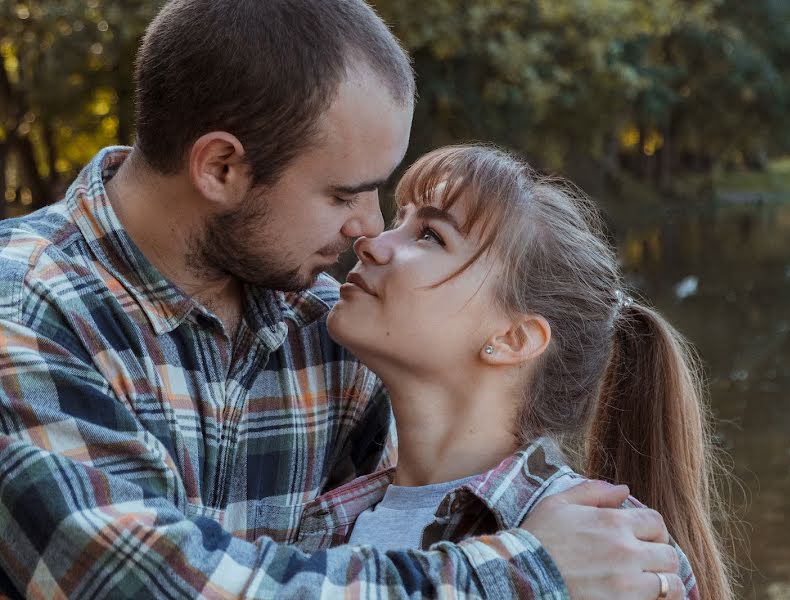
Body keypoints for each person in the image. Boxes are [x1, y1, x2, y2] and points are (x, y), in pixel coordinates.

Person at [0, 1, 683, 599]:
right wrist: (532, 575)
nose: (370, 229)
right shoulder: (28, 310)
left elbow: (458, 456)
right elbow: (141, 586)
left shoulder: (328, 329)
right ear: (221, 168)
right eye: (343, 193)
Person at [314, 145, 733, 600]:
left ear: (514, 338)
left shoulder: (617, 553)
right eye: (400, 221)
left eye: (431, 235)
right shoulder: (329, 519)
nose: (371, 243)